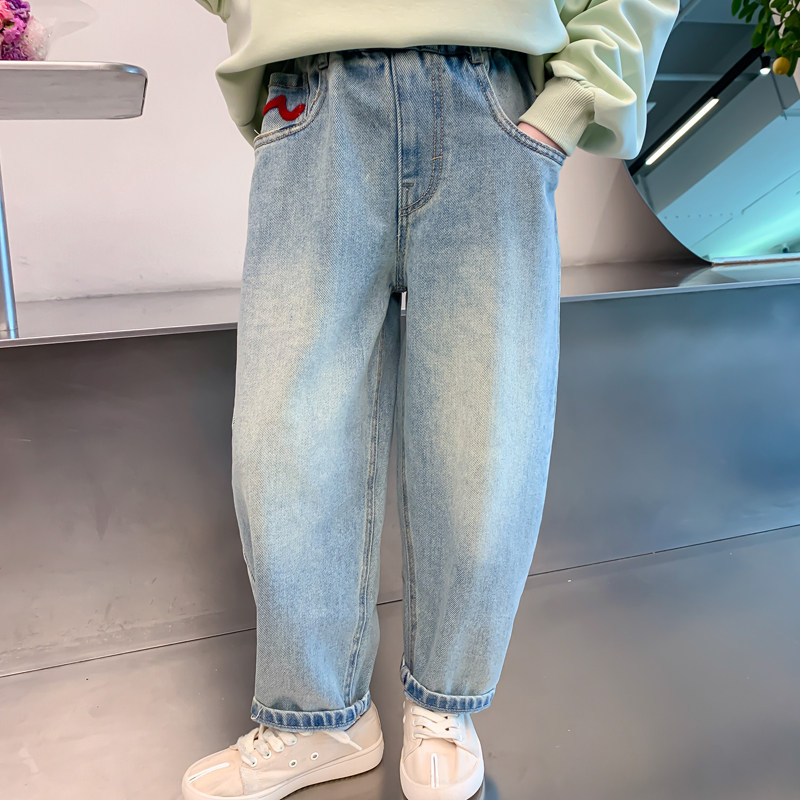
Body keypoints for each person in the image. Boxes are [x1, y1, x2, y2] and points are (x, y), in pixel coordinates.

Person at [182, 2, 679, 799]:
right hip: (312, 97)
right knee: (284, 438)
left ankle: (444, 704)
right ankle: (318, 717)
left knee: (485, 432)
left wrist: (570, 103)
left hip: (493, 101)